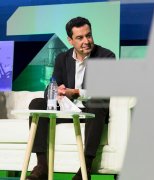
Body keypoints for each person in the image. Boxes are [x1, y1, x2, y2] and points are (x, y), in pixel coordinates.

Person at [26, 17, 115, 180]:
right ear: (70, 40)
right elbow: (51, 86)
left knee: (97, 102)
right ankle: (42, 165)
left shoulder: (106, 56)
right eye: (80, 38)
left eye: (89, 35)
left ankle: (85, 167)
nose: (86, 41)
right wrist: (56, 90)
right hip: (68, 110)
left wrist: (74, 92)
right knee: (37, 103)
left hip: (92, 111)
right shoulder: (62, 58)